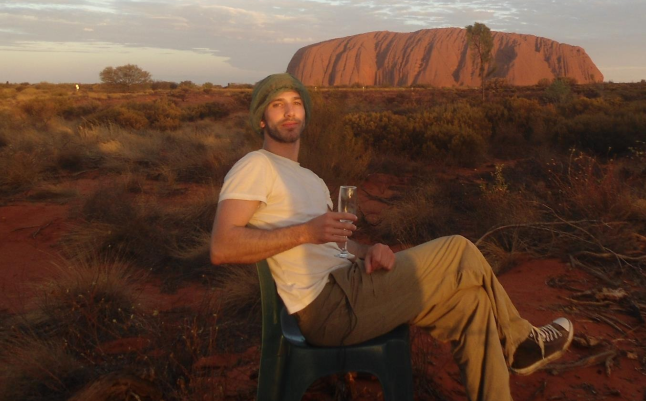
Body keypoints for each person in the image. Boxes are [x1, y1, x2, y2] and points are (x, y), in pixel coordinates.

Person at [210, 73, 573, 401]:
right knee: (459, 249)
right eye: (277, 105)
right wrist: (307, 230)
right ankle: (523, 341)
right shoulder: (256, 166)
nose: (289, 112)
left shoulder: (310, 178)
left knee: (472, 305)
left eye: (296, 103)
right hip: (327, 306)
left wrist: (368, 250)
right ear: (261, 119)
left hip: (351, 286)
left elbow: (336, 243)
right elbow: (223, 247)